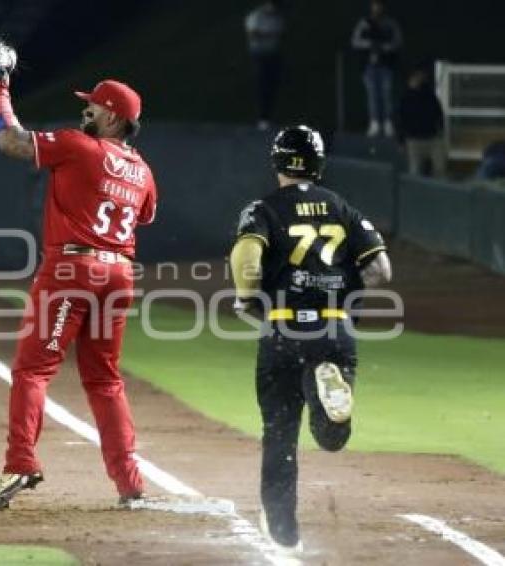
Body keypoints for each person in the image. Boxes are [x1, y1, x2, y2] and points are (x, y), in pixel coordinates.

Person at [0, 35, 157, 513]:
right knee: (105, 380)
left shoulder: (80, 147)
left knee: (33, 370)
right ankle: (130, 483)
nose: (86, 113)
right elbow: (145, 216)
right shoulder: (143, 169)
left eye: (94, 107)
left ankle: (19, 462)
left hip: (73, 268)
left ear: (114, 117)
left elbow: (8, 139)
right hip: (119, 274)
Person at [229, 125, 392, 553]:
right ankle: (328, 395)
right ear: (319, 164)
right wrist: (343, 295)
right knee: (331, 437)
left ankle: (285, 534)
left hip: (283, 328)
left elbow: (248, 253)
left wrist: (247, 297)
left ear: (276, 161)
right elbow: (381, 271)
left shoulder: (262, 209)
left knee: (279, 434)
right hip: (334, 329)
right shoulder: (342, 208)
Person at [351, 0, 403, 137]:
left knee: (386, 95)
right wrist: (370, 44)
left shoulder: (390, 23)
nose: (377, 8)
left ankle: (387, 123)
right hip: (369, 65)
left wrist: (385, 47)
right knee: (372, 95)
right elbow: (355, 41)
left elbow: (397, 42)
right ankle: (374, 123)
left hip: (386, 65)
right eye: (374, 6)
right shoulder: (364, 23)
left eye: (379, 6)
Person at [397, 68, 446, 177]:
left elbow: (439, 114)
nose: (418, 80)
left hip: (433, 139)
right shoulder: (405, 99)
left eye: (420, 77)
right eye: (415, 77)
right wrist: (400, 141)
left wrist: (441, 130)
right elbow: (400, 121)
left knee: (440, 169)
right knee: (415, 171)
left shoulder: (430, 96)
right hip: (414, 141)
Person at [244, 0, 285, 131]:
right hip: (259, 54)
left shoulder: (277, 18)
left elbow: (279, 34)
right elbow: (253, 34)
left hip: (273, 53)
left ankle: (268, 116)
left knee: (272, 85)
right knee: (262, 84)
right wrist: (268, 36)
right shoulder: (256, 17)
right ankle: (262, 118)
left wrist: (269, 36)